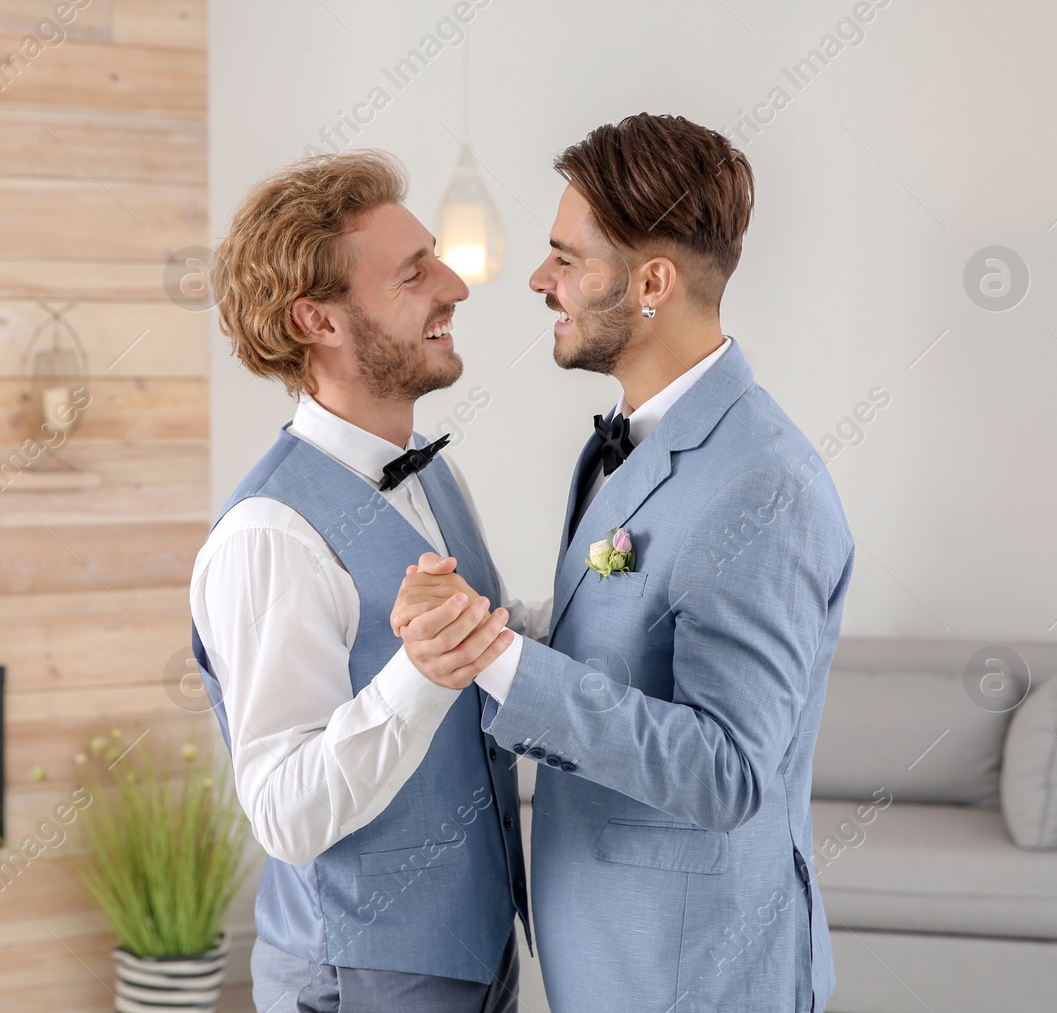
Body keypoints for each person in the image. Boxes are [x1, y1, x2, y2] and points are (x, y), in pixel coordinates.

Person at [392, 113, 855, 1012]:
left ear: (652, 283)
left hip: (695, 976)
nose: (538, 279)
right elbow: (615, 648)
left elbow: (730, 772)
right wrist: (486, 627)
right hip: (607, 962)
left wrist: (499, 663)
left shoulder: (764, 488)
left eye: (567, 258)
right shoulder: (627, 443)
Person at [189, 149, 536, 1012]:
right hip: (361, 978)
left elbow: (486, 642)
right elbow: (283, 811)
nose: (454, 285)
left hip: (478, 953)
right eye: (414, 272)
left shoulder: (431, 477)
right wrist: (420, 673)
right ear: (319, 320)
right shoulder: (270, 535)